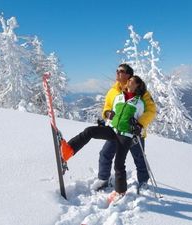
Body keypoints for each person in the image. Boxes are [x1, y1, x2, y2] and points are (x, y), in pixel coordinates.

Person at [61, 75, 149, 203]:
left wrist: (138, 127)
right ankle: (68, 150)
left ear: (137, 86)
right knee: (90, 131)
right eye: (128, 80)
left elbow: (141, 121)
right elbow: (113, 114)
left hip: (126, 135)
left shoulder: (139, 103)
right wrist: (106, 119)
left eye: (131, 81)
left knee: (119, 163)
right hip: (113, 130)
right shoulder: (118, 98)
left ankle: (120, 191)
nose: (128, 81)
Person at [92, 63, 156, 192]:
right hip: (115, 131)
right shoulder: (113, 91)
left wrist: (139, 124)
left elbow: (151, 110)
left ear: (129, 75)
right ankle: (104, 179)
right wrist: (106, 114)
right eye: (117, 70)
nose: (117, 73)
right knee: (105, 153)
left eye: (121, 71)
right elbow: (107, 107)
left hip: (134, 132)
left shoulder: (142, 93)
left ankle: (143, 182)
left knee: (139, 157)